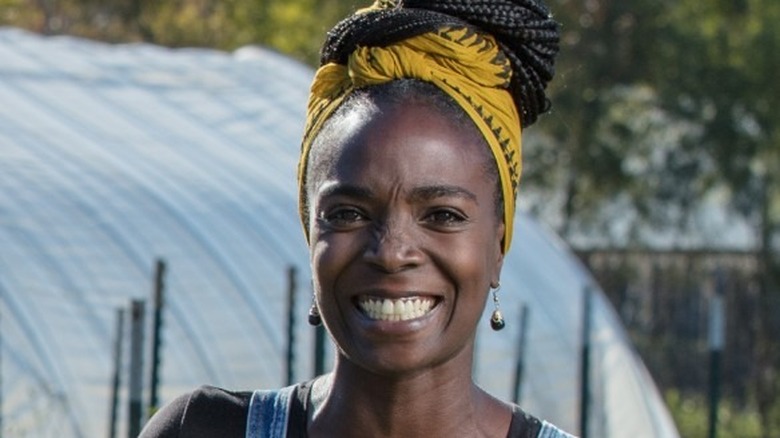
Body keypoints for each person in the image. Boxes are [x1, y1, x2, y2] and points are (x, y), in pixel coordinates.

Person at [141, 0, 573, 436]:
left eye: (442, 215)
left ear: (498, 247)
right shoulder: (201, 429)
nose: (391, 252)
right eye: (348, 213)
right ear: (311, 233)